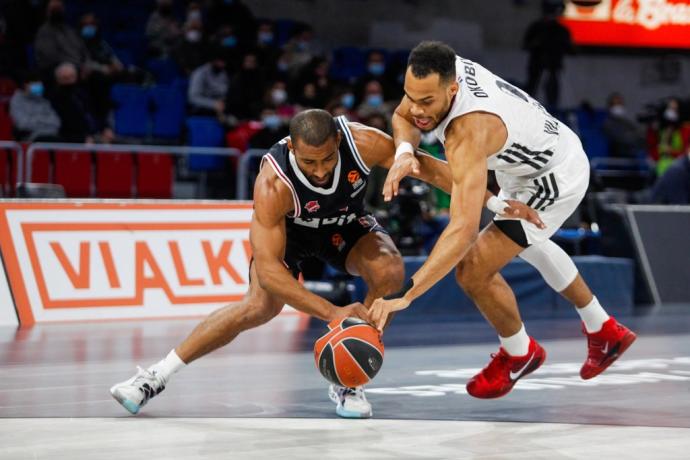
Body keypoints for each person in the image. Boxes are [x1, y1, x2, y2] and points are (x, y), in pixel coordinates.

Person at [110, 109, 471, 419]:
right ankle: (155, 376)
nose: (318, 171)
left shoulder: (364, 143)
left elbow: (433, 170)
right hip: (291, 233)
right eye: (308, 161)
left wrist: (494, 198)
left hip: (344, 223)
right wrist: (333, 313)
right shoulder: (273, 182)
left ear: (339, 145)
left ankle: (348, 379)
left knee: (390, 270)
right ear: (292, 148)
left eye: (328, 159)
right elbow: (268, 272)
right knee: (259, 306)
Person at [370, 41, 636, 399]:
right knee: (530, 243)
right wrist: (404, 152)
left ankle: (519, 353)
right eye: (410, 95)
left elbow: (463, 229)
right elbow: (403, 117)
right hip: (521, 162)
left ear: (453, 89)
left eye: (426, 102)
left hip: (553, 175)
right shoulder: (439, 73)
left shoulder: (468, 131)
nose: (417, 109)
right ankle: (604, 330)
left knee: (473, 268)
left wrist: (408, 294)